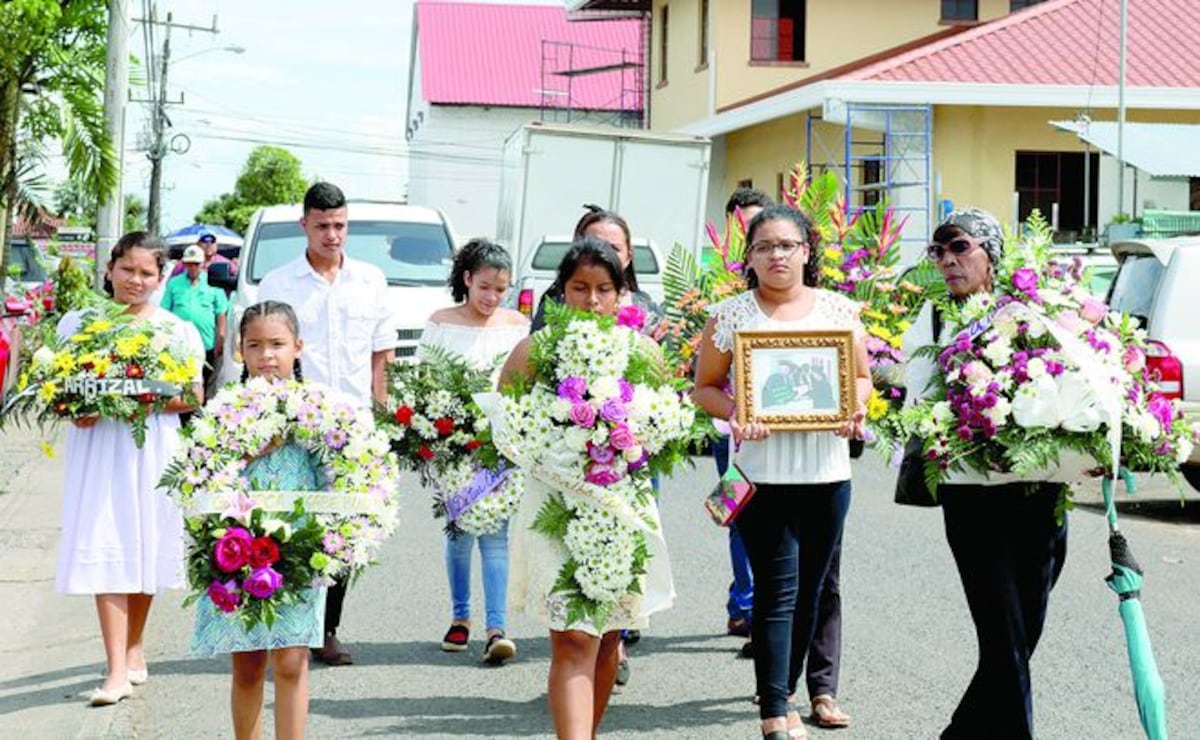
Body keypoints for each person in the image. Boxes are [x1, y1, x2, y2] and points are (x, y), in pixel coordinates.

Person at [692, 204, 871, 739]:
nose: (776, 255)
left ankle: (787, 691)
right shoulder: (730, 317)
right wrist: (736, 413)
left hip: (827, 475)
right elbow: (703, 389)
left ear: (806, 252)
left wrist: (854, 407)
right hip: (761, 476)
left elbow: (861, 378)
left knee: (813, 592)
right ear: (748, 258)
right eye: (764, 246)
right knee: (777, 590)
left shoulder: (840, 313)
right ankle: (773, 708)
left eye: (786, 245)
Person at [498, 237, 674, 740]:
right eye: (580, 288)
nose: (592, 301)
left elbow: (665, 424)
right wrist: (550, 441)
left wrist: (631, 438)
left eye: (603, 289)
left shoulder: (643, 351)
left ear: (622, 293)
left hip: (620, 507)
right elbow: (502, 423)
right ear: (562, 292)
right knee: (573, 638)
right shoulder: (534, 350)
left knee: (607, 636)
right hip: (554, 506)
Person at [906, 208, 1068, 739]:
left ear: (991, 254)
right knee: (1003, 637)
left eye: (960, 248)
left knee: (1023, 635)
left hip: (1038, 492)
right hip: (972, 499)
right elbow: (919, 405)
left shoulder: (1034, 312)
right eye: (939, 251)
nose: (948, 261)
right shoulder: (929, 322)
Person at [55, 231, 205, 706]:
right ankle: (115, 669)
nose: (135, 281)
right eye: (127, 270)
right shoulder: (78, 324)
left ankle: (135, 647)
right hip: (99, 446)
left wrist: (140, 396)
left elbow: (192, 397)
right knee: (108, 541)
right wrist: (81, 406)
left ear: (162, 278)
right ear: (109, 269)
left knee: (146, 544)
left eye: (147, 273)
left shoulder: (177, 331)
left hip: (154, 449)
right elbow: (66, 396)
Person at [257, 182, 396, 666]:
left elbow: (382, 354)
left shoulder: (371, 280)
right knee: (293, 527)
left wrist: (381, 417)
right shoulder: (279, 282)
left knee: (343, 531)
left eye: (339, 226)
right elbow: (268, 352)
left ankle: (326, 627)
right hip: (295, 427)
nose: (332, 235)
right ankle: (289, 622)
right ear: (304, 226)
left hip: (354, 427)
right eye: (322, 226)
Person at [190, 300, 324, 740]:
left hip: (300, 546)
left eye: (277, 344)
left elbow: (339, 473)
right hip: (237, 546)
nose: (267, 355)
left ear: (298, 347)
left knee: (291, 660)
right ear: (239, 353)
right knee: (247, 663)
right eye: (255, 345)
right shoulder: (225, 410)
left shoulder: (319, 410)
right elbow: (200, 474)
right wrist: (251, 446)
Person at [418, 239, 528, 664]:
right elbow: (426, 382)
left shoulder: (517, 324)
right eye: (485, 287)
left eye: (500, 289)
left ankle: (497, 627)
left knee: (497, 537)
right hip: (454, 445)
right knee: (461, 532)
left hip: (499, 446)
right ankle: (460, 617)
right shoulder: (441, 323)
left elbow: (524, 382)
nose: (492, 297)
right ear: (467, 279)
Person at [713, 188, 773, 644]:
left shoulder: (793, 288)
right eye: (742, 228)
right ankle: (747, 603)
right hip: (731, 432)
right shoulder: (721, 297)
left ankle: (746, 600)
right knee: (737, 511)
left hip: (787, 436)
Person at [530, 205, 662, 332]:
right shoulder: (553, 309)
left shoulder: (648, 313)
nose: (602, 253)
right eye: (594, 245)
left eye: (613, 248)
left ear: (628, 256)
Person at [161, 244, 229, 403]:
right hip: (181, 343)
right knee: (183, 381)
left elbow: (221, 312)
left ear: (204, 263)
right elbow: (165, 310)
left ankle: (202, 413)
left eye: (196, 264)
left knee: (206, 380)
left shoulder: (213, 282)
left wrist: (221, 335)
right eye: (189, 264)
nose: (192, 268)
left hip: (207, 343)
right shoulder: (174, 283)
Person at [170, 230, 237, 279]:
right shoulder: (185, 263)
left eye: (212, 241)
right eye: (205, 241)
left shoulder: (226, 263)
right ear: (197, 244)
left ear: (216, 244)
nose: (209, 245)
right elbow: (172, 282)